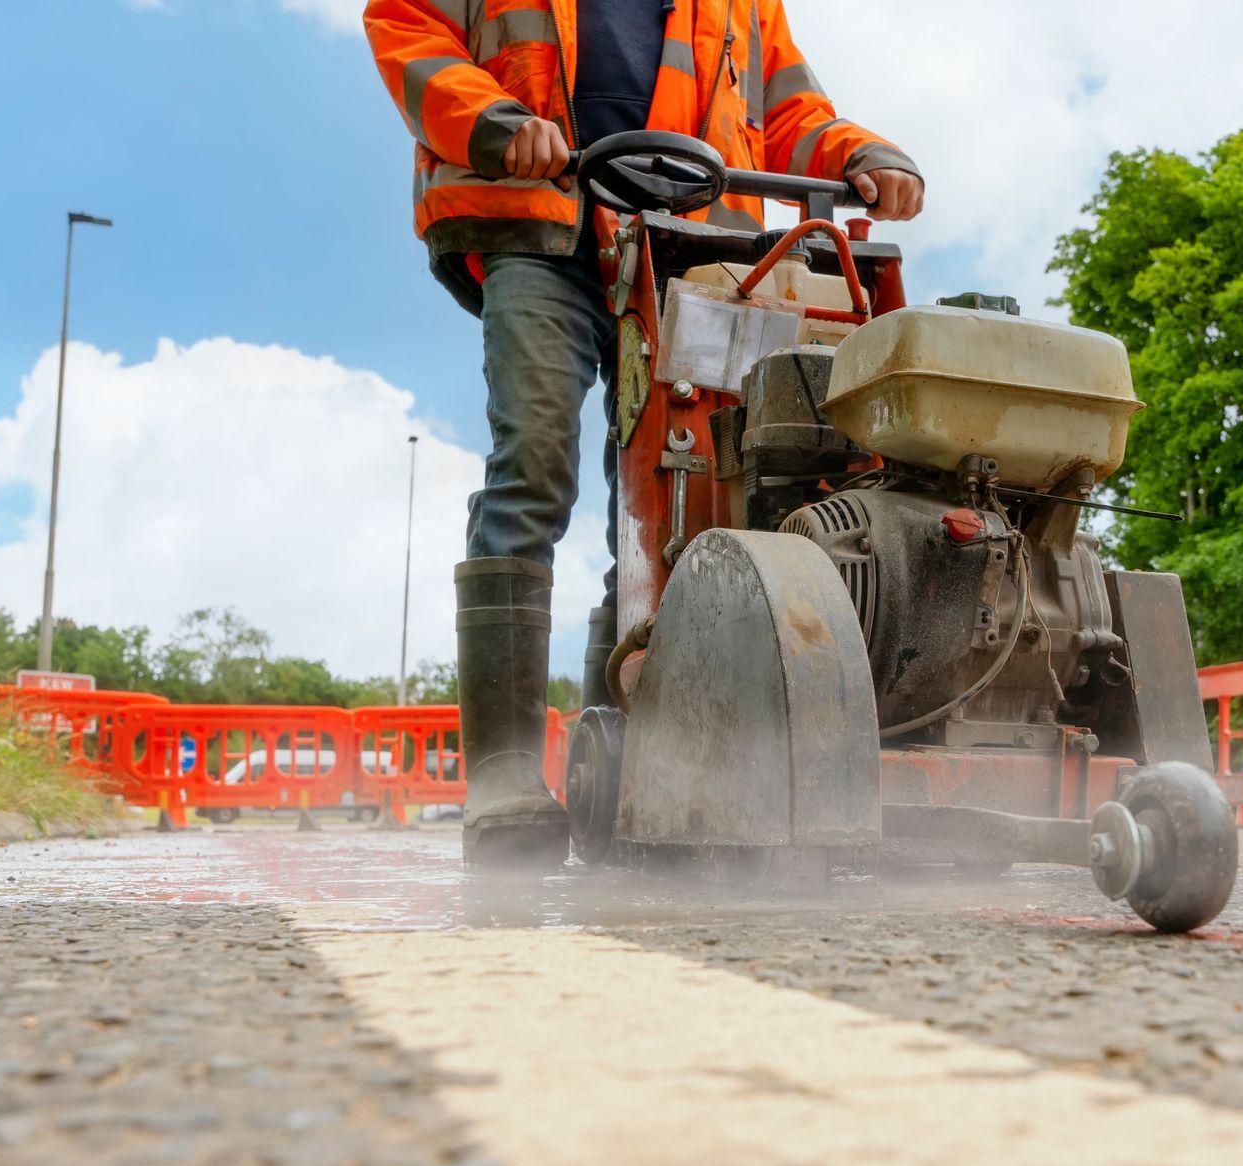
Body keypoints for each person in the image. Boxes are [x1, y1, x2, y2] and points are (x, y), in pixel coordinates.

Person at [364, 0, 923, 864]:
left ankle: (624, 773)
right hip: (537, 226)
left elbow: (787, 112)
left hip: (685, 248)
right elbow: (406, 28)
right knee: (534, 466)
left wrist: (859, 153)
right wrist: (493, 120)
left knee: (677, 493)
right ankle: (507, 774)